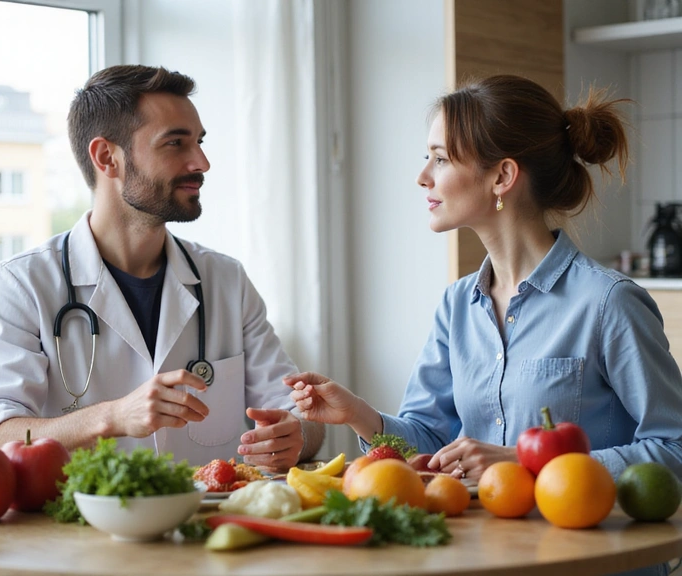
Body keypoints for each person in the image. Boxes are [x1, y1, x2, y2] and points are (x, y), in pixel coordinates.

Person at [286, 75, 682, 485]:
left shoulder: (608, 303)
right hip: (484, 545)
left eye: (440, 159)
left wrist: (526, 464)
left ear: (502, 176)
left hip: (584, 546)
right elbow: (427, 444)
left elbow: (676, 448)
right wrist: (357, 415)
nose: (423, 177)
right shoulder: (456, 306)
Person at [0, 64, 323, 468]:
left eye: (200, 142)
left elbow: (302, 416)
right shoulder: (23, 284)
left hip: (205, 525)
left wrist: (295, 434)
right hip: (82, 527)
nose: (201, 162)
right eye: (175, 143)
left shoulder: (226, 281)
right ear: (107, 157)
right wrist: (113, 417)